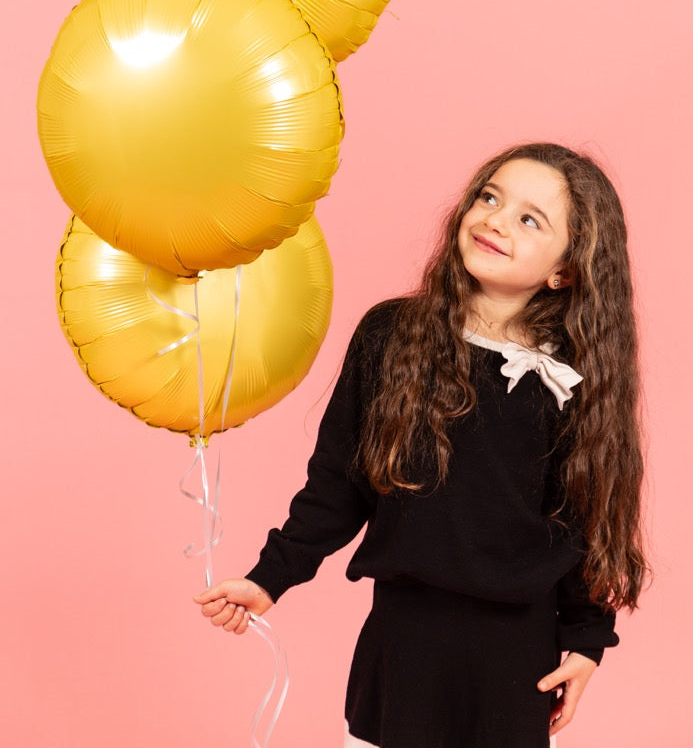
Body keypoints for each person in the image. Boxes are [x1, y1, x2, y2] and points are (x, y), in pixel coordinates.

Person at [194, 142, 648, 748]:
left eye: (529, 219)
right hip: (401, 648)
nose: (495, 220)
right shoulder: (390, 335)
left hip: (515, 665)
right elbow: (338, 483)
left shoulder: (567, 379)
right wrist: (269, 578)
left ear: (564, 270)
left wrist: (588, 641)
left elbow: (586, 521)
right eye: (489, 197)